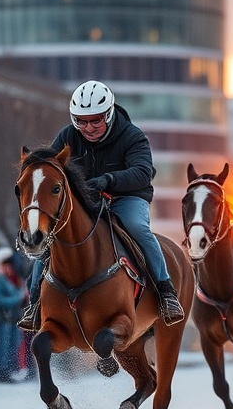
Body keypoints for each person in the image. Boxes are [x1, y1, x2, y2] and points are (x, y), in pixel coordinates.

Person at [18, 80, 184, 330]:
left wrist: (109, 180)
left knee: (136, 227)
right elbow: (49, 168)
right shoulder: (66, 136)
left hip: (127, 198)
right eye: (82, 121)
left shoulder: (132, 136)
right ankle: (33, 305)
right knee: (51, 236)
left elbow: (142, 172)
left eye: (96, 120)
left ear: (109, 113)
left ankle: (165, 291)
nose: (88, 127)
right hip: (87, 200)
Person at [0, 253, 26, 382]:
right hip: (2, 318)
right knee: (1, 347)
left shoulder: (16, 280)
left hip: (14, 319)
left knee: (12, 347)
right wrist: (17, 298)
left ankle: (9, 372)